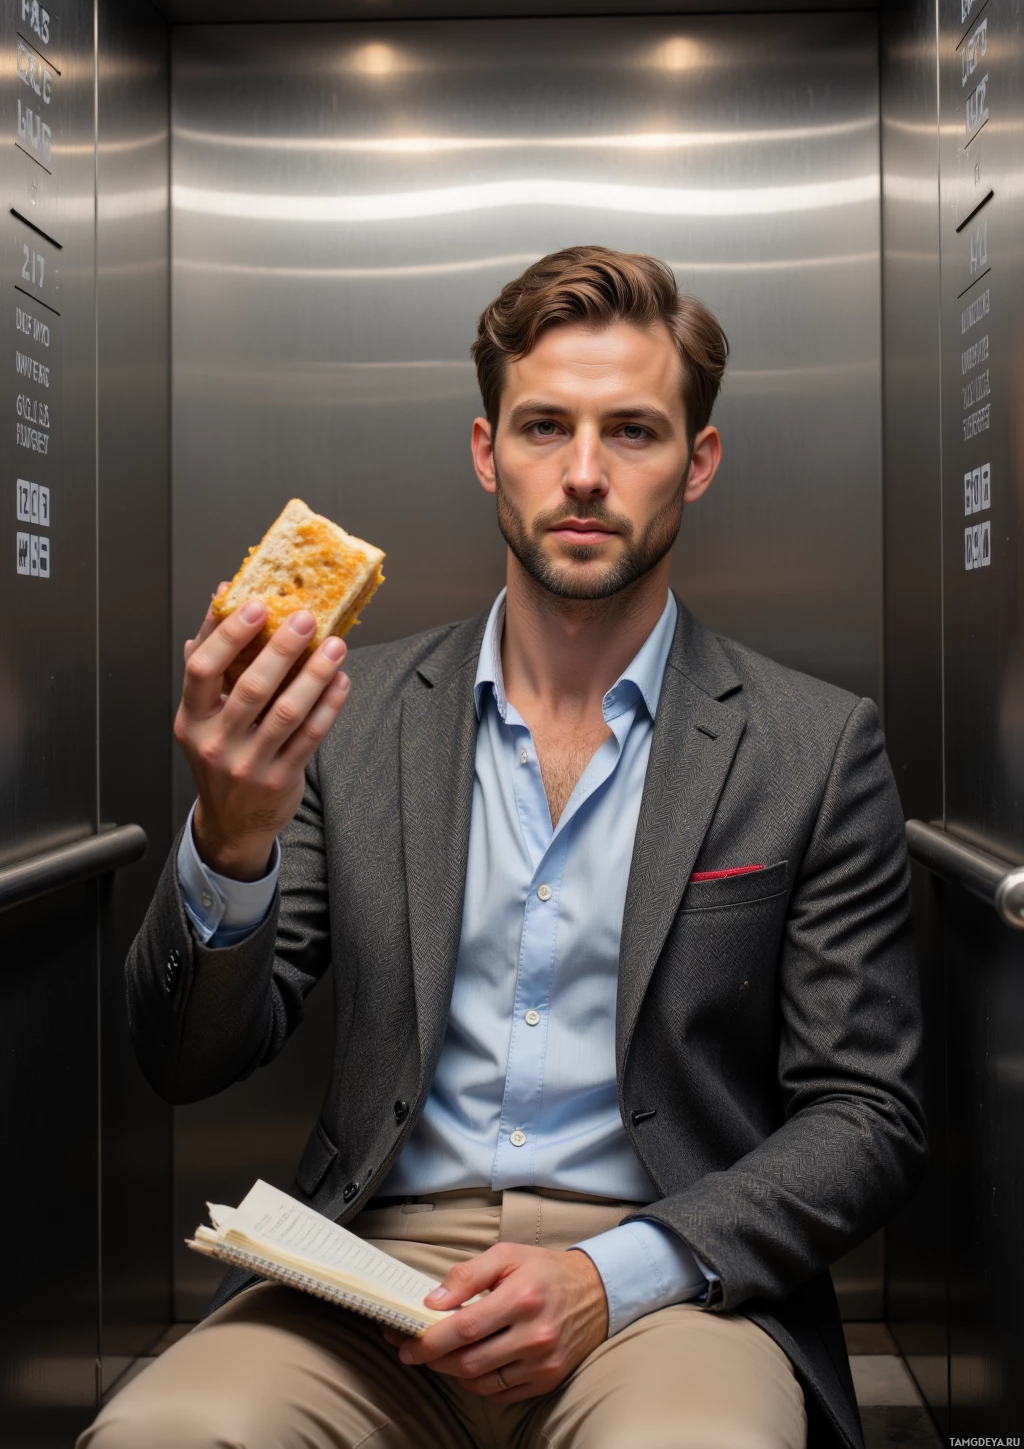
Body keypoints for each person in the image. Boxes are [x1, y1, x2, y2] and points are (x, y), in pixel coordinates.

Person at [81, 246, 925, 1449]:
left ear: (698, 462)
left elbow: (865, 1116)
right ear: (487, 453)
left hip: (668, 1277)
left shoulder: (812, 746)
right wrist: (230, 834)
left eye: (631, 432)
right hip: (368, 1270)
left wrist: (612, 1274)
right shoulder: (350, 719)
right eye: (543, 428)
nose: (583, 474)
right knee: (160, 1437)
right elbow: (183, 1061)